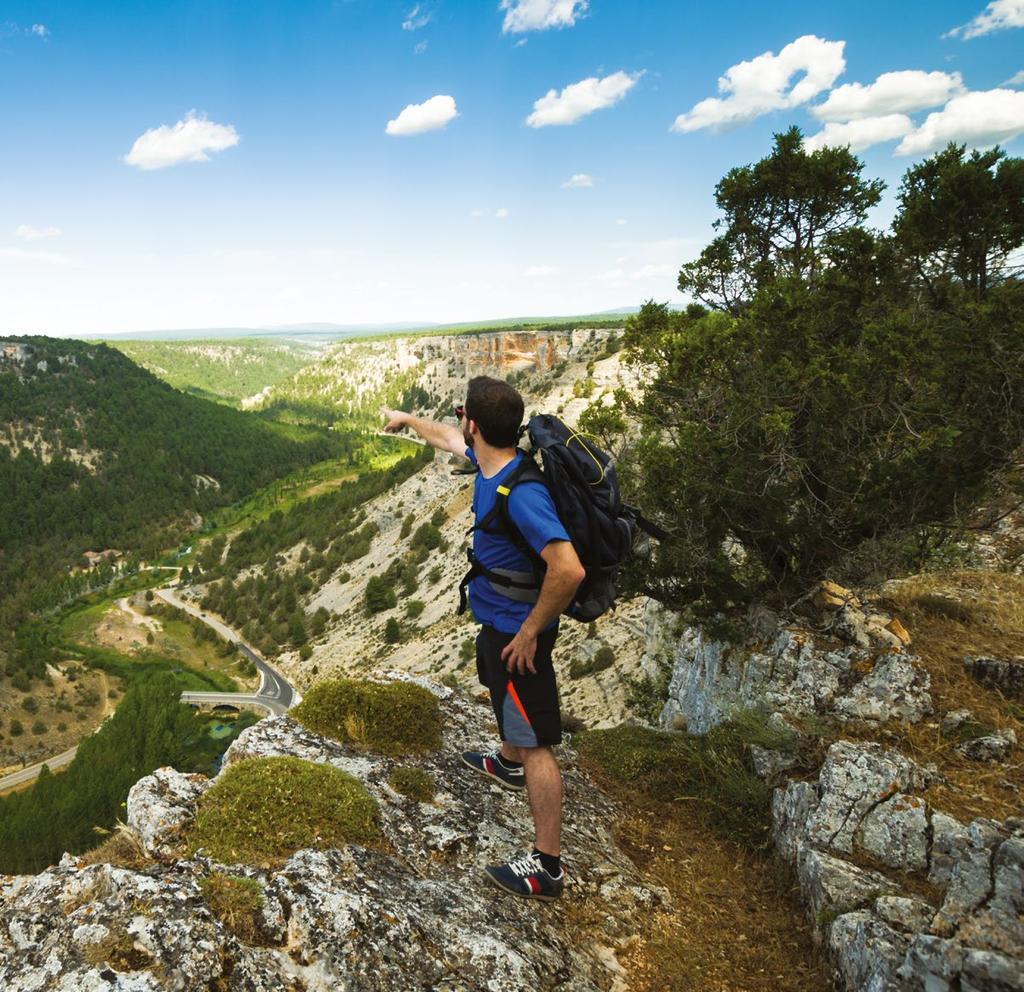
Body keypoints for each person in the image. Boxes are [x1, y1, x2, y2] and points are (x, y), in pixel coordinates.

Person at [384, 376, 584, 901]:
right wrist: (407, 420)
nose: (458, 425)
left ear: (475, 422)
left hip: (519, 634)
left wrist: (529, 634)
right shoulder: (494, 461)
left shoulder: (521, 496)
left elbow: (568, 569)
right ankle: (506, 758)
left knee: (538, 743)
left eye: (461, 416)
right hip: (498, 625)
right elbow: (447, 439)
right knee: (500, 692)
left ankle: (547, 866)